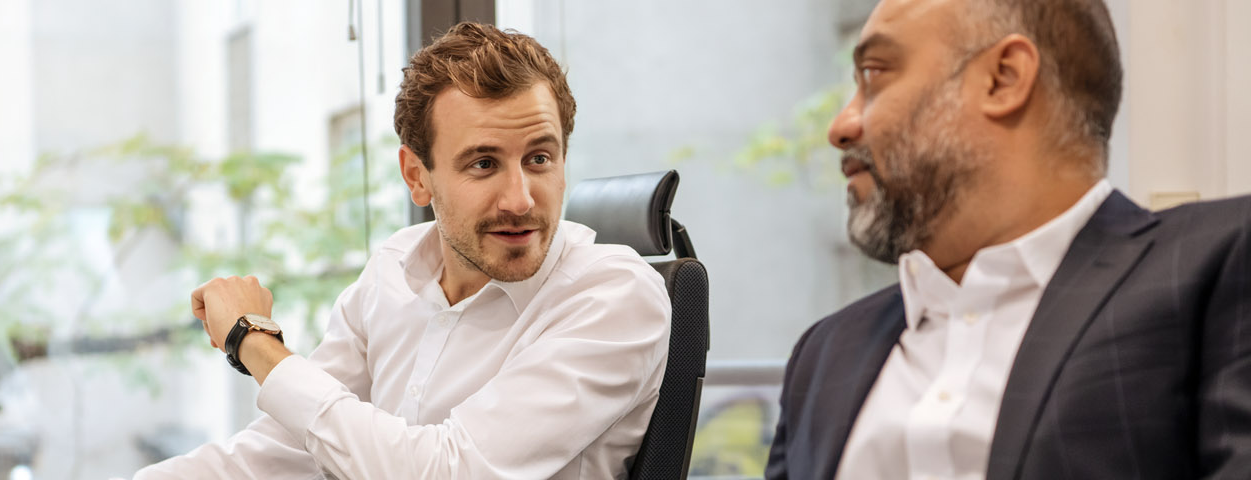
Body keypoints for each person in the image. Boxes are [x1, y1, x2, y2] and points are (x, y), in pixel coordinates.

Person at [135, 23, 670, 479]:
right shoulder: (393, 270)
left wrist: (253, 340)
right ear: (418, 177)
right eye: (483, 163)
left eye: (539, 158)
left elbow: (446, 471)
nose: (520, 199)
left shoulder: (616, 295)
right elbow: (286, 450)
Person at [765, 0, 1251, 478]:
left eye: (874, 75)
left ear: (1004, 78)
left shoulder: (1219, 264)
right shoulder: (824, 353)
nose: (840, 126)